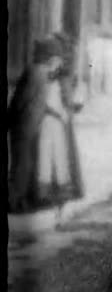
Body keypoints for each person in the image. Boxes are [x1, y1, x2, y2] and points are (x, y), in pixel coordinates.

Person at [7, 36, 85, 214]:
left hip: (27, 127)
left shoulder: (39, 73)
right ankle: (14, 201)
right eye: (56, 60)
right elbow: (27, 103)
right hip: (26, 128)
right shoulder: (38, 74)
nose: (58, 64)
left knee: (24, 166)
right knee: (22, 167)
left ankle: (21, 200)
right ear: (50, 59)